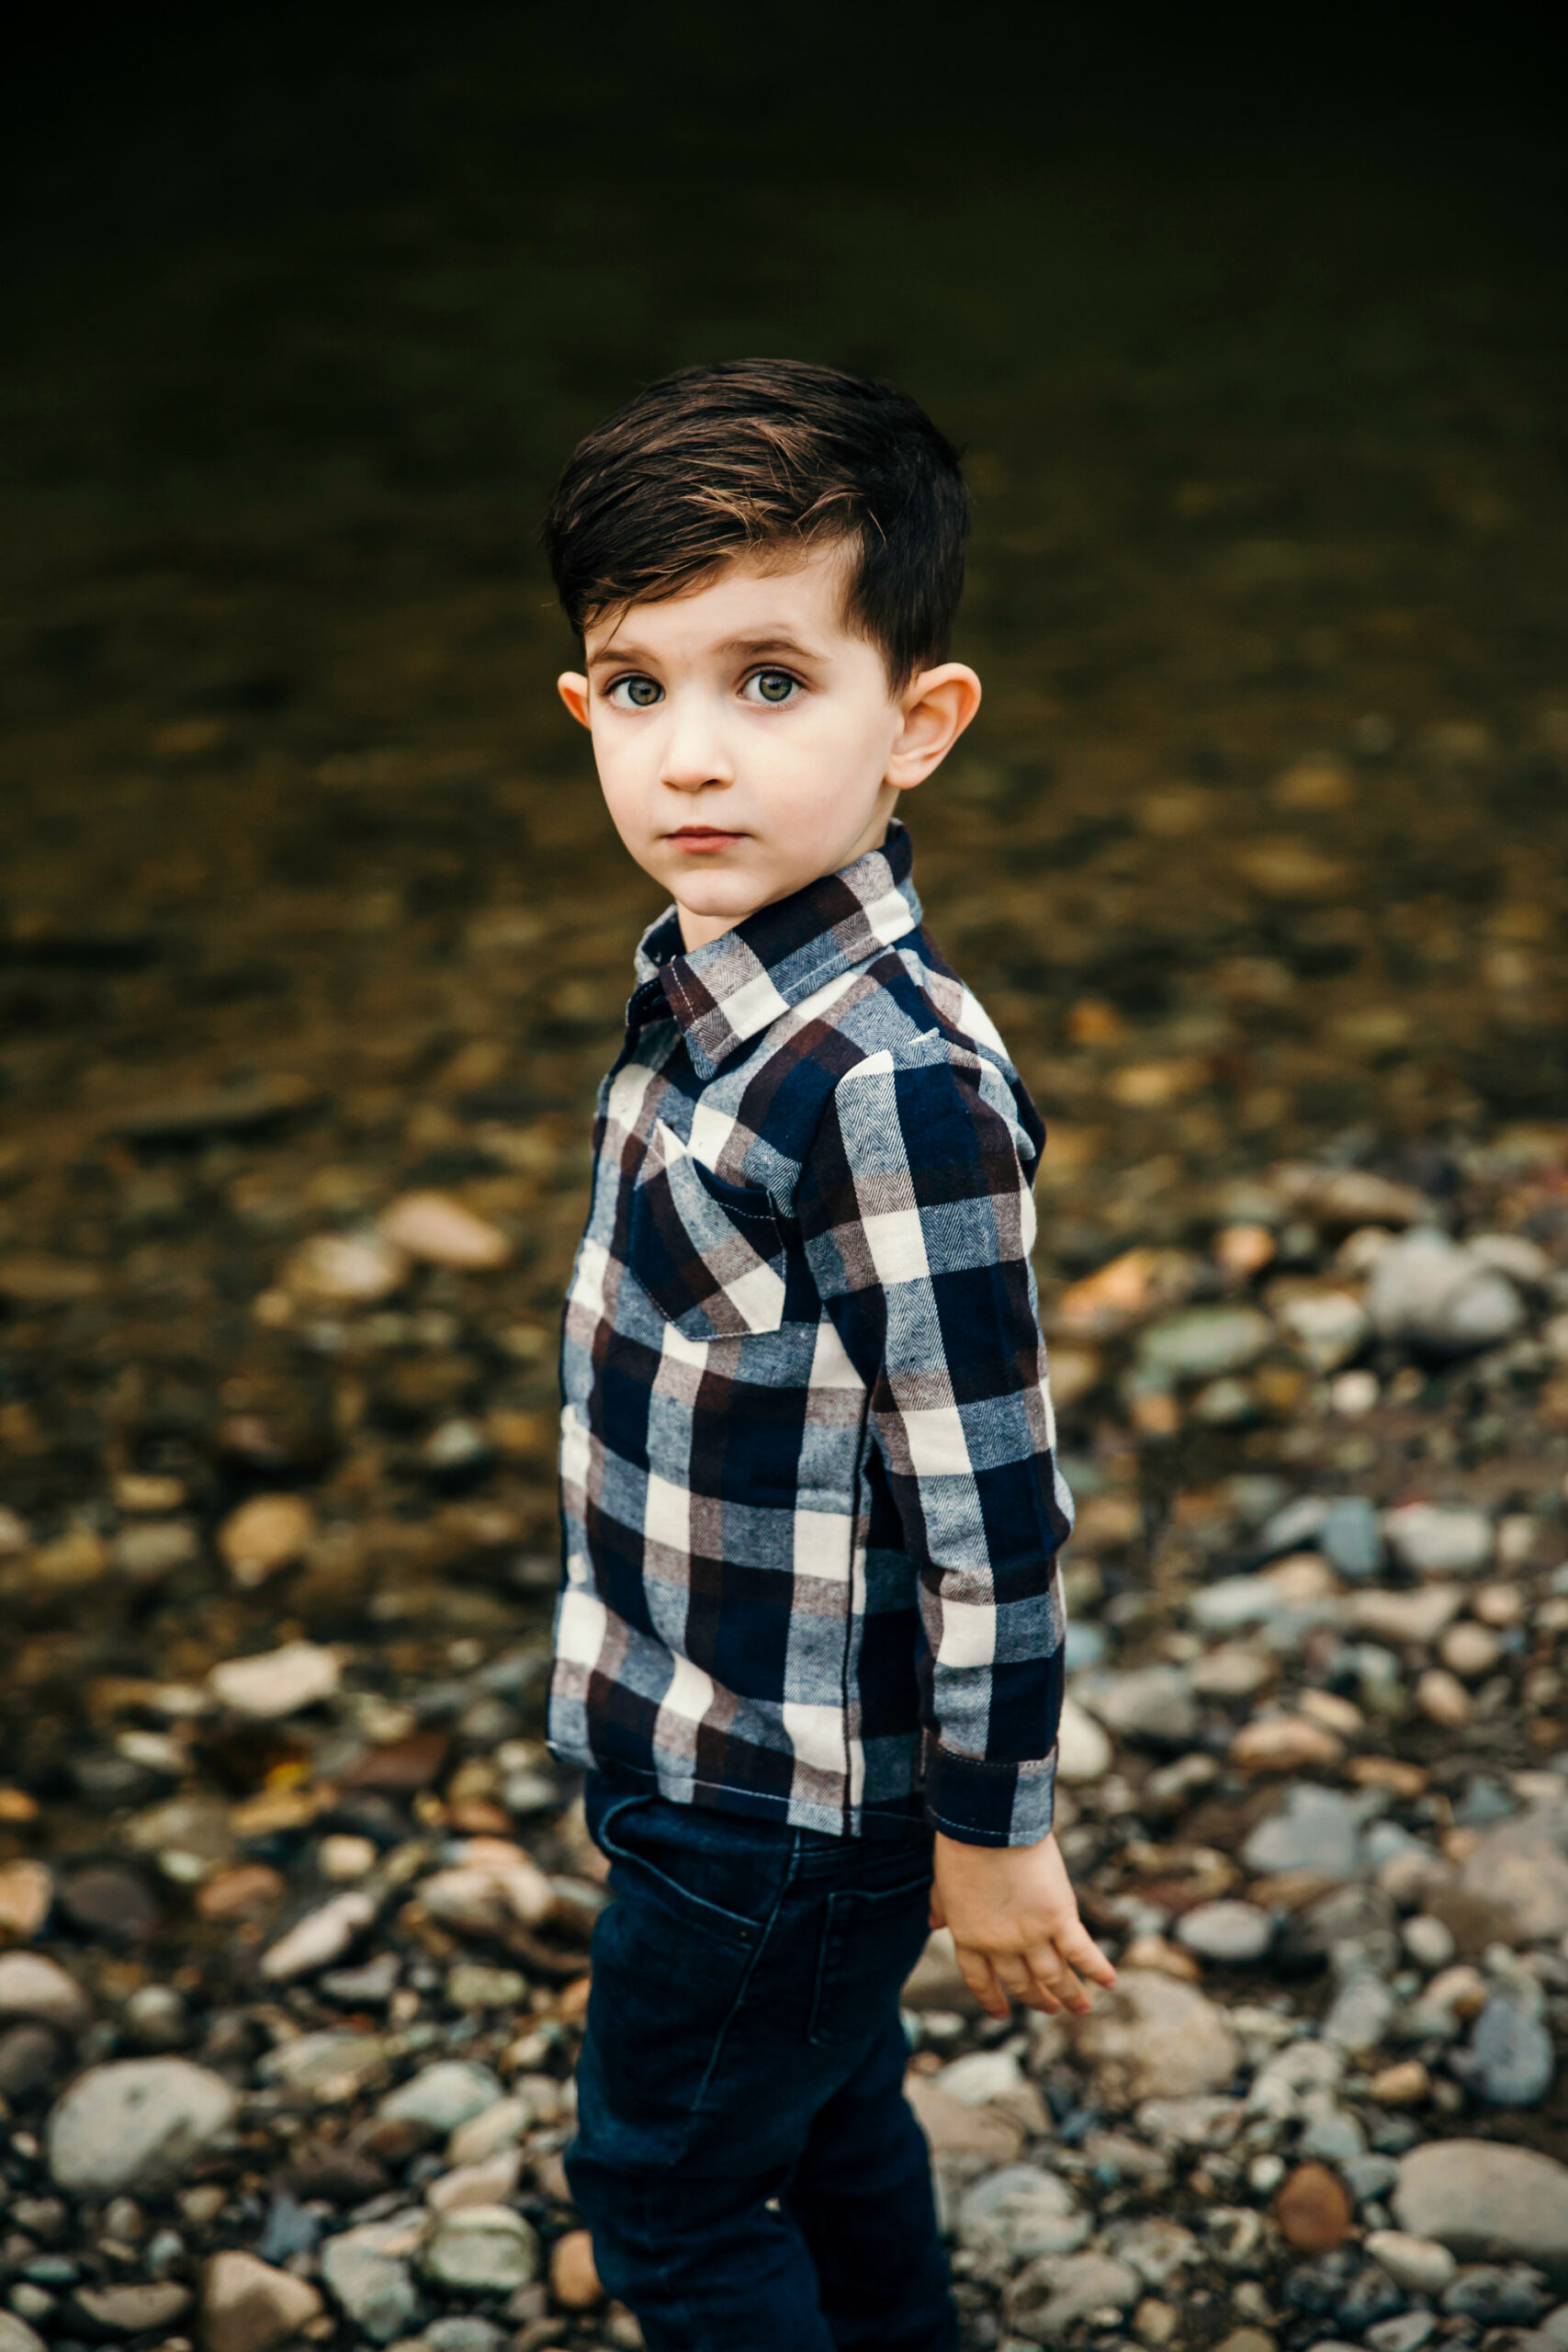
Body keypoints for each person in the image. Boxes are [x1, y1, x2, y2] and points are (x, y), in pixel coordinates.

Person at [540, 358, 1115, 2352]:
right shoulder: (706, 980)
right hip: (689, 1721)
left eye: (768, 681)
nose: (688, 755)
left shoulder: (888, 1083)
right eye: (640, 685)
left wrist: (992, 1832)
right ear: (580, 708)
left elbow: (989, 1505)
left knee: (668, 2183)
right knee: (826, 2099)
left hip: (793, 1792)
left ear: (918, 724)